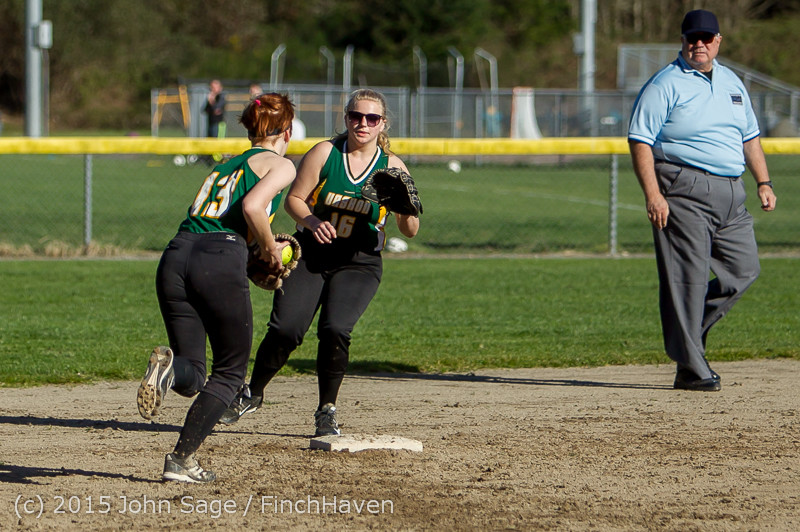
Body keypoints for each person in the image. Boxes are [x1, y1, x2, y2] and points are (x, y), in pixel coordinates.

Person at [219, 88, 420, 434]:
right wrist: (312, 221)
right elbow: (294, 199)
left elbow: (410, 230)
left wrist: (405, 205)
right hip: (312, 254)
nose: (363, 123)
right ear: (346, 118)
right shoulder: (326, 153)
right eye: (356, 116)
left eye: (372, 118)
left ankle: (327, 409)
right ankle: (252, 393)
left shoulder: (392, 167)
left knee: (335, 329)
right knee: (286, 329)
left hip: (359, 263)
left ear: (383, 124)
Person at [136, 93, 297, 482]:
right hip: (218, 258)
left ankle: (169, 371)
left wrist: (254, 251)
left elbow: (221, 218)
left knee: (192, 371)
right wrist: (270, 250)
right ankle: (181, 460)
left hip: (176, 255)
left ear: (249, 128)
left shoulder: (226, 165)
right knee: (230, 373)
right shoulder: (282, 164)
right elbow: (253, 207)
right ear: (288, 131)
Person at [628, 9, 777, 392]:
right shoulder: (665, 83)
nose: (699, 44)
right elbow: (640, 140)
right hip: (683, 188)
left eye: (706, 38)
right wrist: (653, 195)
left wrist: (763, 181)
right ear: (682, 41)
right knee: (688, 282)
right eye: (692, 37)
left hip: (732, 191)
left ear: (718, 41)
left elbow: (750, 137)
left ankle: (687, 338)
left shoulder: (731, 82)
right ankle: (693, 370)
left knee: (743, 271)